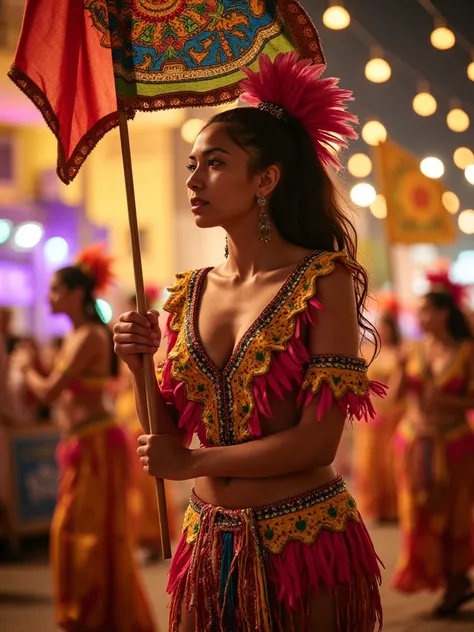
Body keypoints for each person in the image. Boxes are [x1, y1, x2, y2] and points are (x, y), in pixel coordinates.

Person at [114, 52, 385, 632]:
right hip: (207, 543)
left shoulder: (324, 279)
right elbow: (166, 432)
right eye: (192, 164)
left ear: (266, 179)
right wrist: (136, 363)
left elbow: (317, 442)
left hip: (302, 543)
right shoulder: (186, 293)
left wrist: (192, 461)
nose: (193, 180)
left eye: (215, 163)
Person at [13, 245, 156, 632]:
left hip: (97, 446)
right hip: (81, 444)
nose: (49, 296)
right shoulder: (76, 336)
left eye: (56, 289)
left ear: (77, 294)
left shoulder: (90, 336)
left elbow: (49, 393)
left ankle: (98, 617)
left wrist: (26, 368)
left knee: (89, 536)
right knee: (76, 533)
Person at [391, 271, 474, 616]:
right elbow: (395, 397)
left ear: (443, 313)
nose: (420, 317)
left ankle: (458, 579)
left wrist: (446, 401)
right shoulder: (411, 350)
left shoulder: (467, 351)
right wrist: (398, 370)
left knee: (455, 514)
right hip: (414, 442)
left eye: (425, 311)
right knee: (418, 513)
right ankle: (443, 578)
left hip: (454, 443)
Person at [115, 287, 179, 563]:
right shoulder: (126, 339)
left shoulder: (158, 339)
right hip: (128, 411)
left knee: (149, 480)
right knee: (137, 482)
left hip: (143, 408)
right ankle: (141, 536)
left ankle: (153, 535)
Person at [353, 294, 405, 523]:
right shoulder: (367, 351)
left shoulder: (401, 353)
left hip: (395, 415)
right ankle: (375, 508)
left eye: (387, 327)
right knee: (370, 463)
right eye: (381, 326)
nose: (383, 330)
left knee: (390, 462)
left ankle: (394, 509)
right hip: (372, 417)